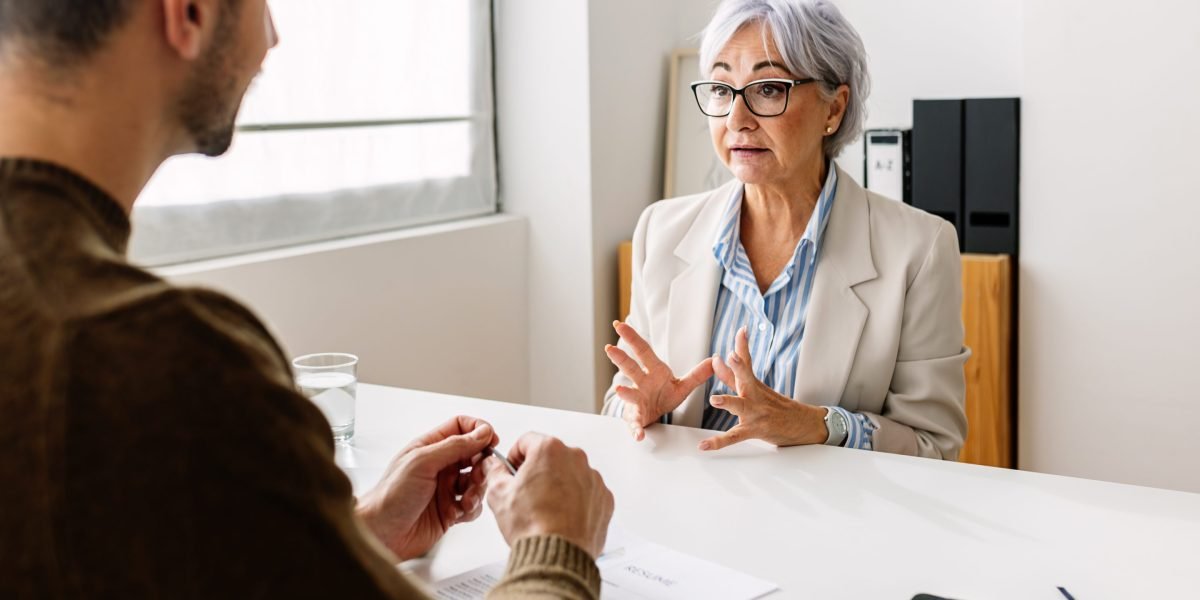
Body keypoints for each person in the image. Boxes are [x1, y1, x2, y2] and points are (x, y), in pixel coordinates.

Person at [0, 0, 613, 598]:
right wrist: (554, 541)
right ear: (187, 12)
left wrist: (346, 535)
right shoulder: (153, 354)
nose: (272, 38)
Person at [602, 0, 969, 460]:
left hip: (838, 521)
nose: (736, 118)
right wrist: (644, 412)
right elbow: (620, 404)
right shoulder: (661, 230)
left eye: (769, 88)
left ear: (833, 109)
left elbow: (935, 443)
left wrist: (818, 426)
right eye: (721, 88)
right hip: (690, 516)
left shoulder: (919, 249)